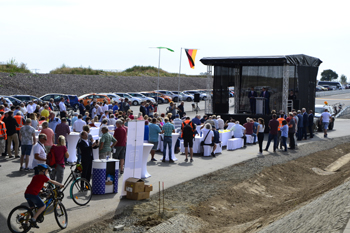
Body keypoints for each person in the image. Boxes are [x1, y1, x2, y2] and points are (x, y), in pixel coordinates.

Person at [24, 164, 64, 228]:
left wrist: (40, 191)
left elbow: (34, 186)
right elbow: (52, 181)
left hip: (27, 193)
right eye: (47, 171)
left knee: (31, 208)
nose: (47, 172)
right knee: (43, 206)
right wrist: (60, 184)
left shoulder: (35, 176)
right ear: (43, 171)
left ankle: (25, 223)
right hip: (33, 194)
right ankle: (33, 219)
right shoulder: (43, 177)